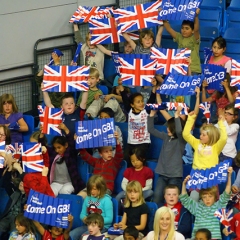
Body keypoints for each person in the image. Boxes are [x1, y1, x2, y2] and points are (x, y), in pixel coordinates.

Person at [179, 167, 233, 239]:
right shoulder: (197, 207)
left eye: (210, 196)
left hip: (213, 238)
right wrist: (184, 184)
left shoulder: (218, 206)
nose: (207, 199)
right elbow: (184, 199)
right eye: (204, 197)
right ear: (201, 197)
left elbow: (227, 192)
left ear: (215, 197)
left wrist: (229, 176)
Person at [147, 106, 186, 205]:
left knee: (173, 202)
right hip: (162, 174)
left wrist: (177, 116)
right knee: (157, 198)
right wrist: (151, 115)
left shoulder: (181, 140)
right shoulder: (165, 137)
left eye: (170, 127)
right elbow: (151, 130)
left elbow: (179, 131)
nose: (167, 129)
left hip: (175, 176)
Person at [39, 124, 84, 196]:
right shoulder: (53, 154)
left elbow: (71, 143)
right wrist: (41, 133)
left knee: (64, 192)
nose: (57, 150)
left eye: (59, 147)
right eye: (55, 148)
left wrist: (65, 129)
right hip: (56, 183)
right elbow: (43, 147)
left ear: (66, 145)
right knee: (50, 193)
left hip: (69, 182)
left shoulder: (70, 153)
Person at [78, 131, 123, 197]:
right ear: (100, 154)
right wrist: (79, 142)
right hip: (93, 187)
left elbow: (119, 155)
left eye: (111, 150)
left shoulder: (114, 162)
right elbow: (85, 156)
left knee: (98, 199)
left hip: (106, 188)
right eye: (106, 151)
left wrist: (117, 141)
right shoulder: (97, 161)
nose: (110, 153)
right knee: (79, 197)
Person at [70, 175, 113, 240]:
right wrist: (84, 218)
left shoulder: (106, 200)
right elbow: (82, 214)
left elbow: (109, 219)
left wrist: (95, 222)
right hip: (88, 226)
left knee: (84, 237)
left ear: (101, 188)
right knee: (72, 235)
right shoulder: (87, 198)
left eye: (94, 189)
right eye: (90, 189)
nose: (92, 191)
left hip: (101, 227)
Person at [163, 9, 201, 75]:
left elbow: (196, 29)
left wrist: (196, 16)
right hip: (181, 70)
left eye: (187, 28)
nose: (184, 30)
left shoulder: (194, 38)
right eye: (182, 28)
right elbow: (168, 29)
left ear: (192, 31)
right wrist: (163, 16)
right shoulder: (179, 37)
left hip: (194, 70)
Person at [22, 131, 54, 197]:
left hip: (49, 200)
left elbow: (46, 165)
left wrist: (45, 153)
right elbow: (39, 194)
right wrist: (44, 177)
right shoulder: (28, 177)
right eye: (31, 146)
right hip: (40, 204)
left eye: (35, 146)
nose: (33, 148)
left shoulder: (39, 170)